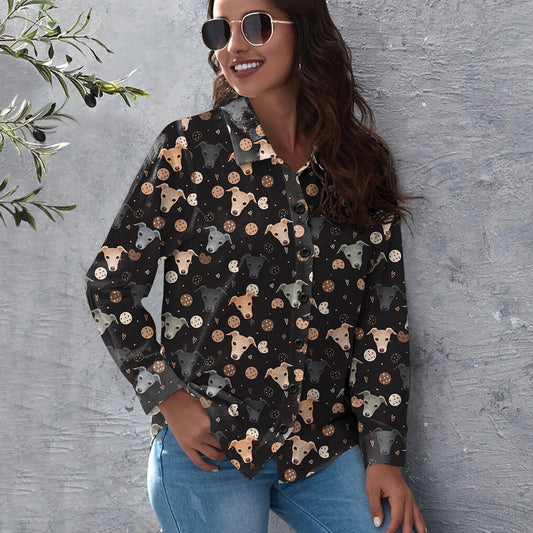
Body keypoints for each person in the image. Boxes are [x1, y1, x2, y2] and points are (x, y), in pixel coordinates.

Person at [85, 0, 427, 532]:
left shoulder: (360, 164)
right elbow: (110, 284)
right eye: (219, 30)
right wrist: (167, 396)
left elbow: (382, 319)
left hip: (323, 447)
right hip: (210, 450)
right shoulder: (187, 151)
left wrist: (384, 455)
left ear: (303, 30)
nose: (234, 45)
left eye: (255, 25)